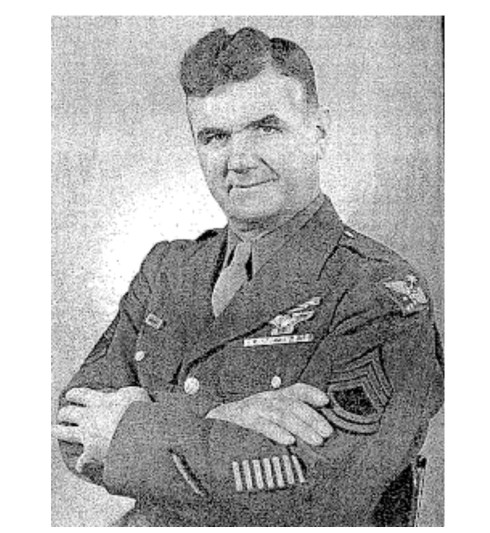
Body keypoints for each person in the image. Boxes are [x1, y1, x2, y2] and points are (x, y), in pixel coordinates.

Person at [52, 27, 443, 527]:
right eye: (215, 136)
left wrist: (134, 427)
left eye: (265, 128)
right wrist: (221, 416)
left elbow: (318, 486)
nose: (238, 160)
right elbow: (74, 425)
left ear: (319, 132)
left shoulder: (379, 293)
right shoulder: (168, 270)